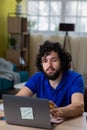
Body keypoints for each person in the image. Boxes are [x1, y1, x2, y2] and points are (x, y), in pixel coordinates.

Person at [16, 40, 84, 118]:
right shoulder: (38, 77)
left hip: (68, 124)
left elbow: (79, 106)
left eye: (54, 60)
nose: (49, 65)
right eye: (45, 61)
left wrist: (58, 111)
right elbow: (20, 96)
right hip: (42, 123)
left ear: (62, 62)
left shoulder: (75, 78)